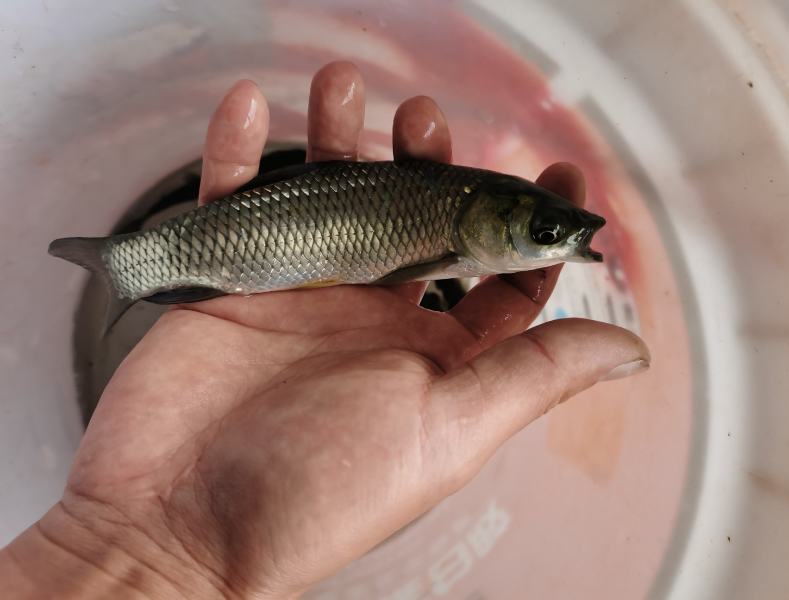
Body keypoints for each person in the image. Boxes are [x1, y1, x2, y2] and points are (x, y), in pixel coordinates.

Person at [0, 62, 649, 599]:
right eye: (542, 234)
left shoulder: (459, 220)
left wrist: (149, 552)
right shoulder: (453, 227)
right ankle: (132, 264)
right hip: (277, 234)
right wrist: (152, 554)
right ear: (482, 223)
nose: (554, 244)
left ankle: (138, 263)